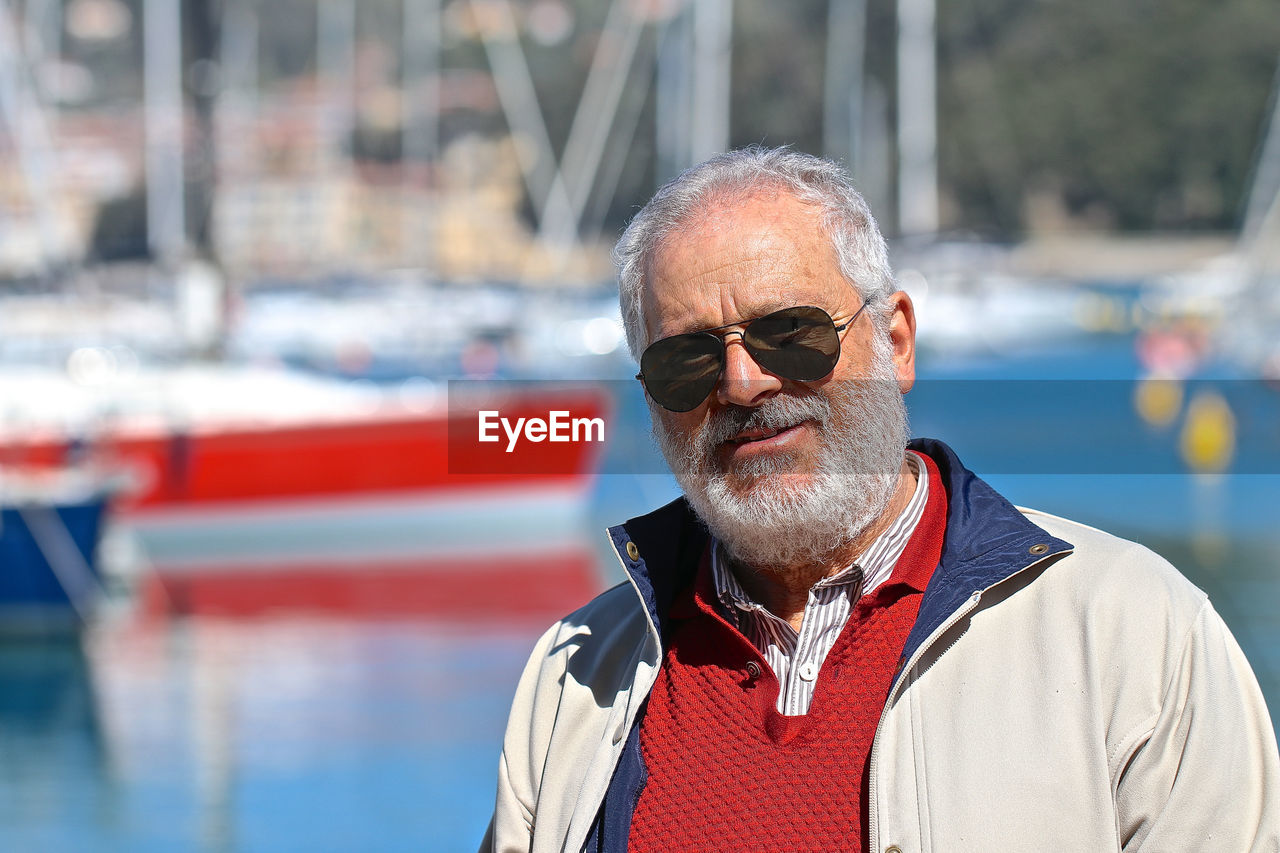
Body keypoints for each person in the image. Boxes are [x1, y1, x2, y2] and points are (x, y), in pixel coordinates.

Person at [480, 147, 1280, 852]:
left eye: (790, 333)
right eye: (686, 360)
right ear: (652, 397)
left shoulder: (1133, 634)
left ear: (894, 341)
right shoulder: (572, 677)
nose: (743, 383)